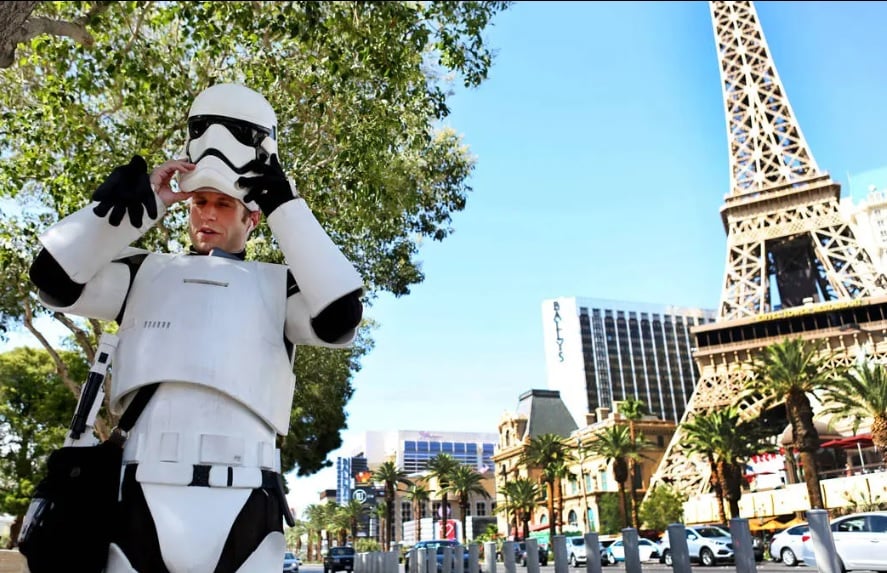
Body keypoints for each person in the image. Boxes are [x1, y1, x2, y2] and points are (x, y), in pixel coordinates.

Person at [28, 83, 364, 572]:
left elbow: (340, 317)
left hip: (247, 501)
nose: (207, 212)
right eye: (199, 200)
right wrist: (131, 211)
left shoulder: (281, 287)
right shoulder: (143, 272)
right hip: (140, 497)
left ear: (252, 218)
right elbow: (53, 280)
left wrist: (285, 206)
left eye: (224, 204)